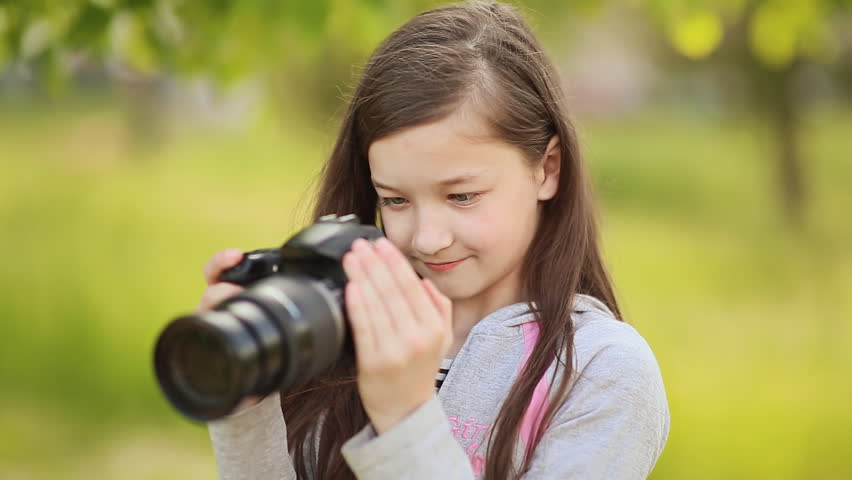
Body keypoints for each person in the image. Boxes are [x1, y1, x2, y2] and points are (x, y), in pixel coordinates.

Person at [198, 1, 670, 478]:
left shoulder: (601, 371)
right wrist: (247, 414)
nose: (427, 239)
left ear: (547, 169)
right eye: (395, 200)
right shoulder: (338, 334)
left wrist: (406, 421)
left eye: (462, 196)